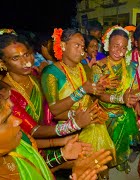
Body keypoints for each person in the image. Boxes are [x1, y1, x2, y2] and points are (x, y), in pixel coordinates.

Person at [0, 79, 113, 180]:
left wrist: (63, 156)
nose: (18, 121)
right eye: (5, 120)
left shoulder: (17, 146)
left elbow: (37, 168)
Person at [0, 29, 94, 171]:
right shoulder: (7, 94)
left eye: (27, 54)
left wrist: (76, 115)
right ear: (2, 63)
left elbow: (51, 110)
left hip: (53, 139)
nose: (26, 62)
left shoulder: (35, 75)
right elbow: (33, 130)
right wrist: (74, 124)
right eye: (16, 58)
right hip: (31, 149)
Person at [41, 28, 116, 178]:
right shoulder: (50, 72)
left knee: (97, 165)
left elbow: (90, 98)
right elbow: (55, 110)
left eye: (82, 47)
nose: (81, 51)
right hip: (68, 130)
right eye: (76, 46)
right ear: (62, 46)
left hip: (89, 122)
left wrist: (98, 88)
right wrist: (82, 91)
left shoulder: (84, 67)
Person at [92, 25, 140, 173]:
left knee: (123, 142)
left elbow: (135, 88)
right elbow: (98, 94)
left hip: (125, 112)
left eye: (124, 48)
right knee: (107, 146)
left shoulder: (131, 66)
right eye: (116, 46)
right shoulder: (98, 67)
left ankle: (121, 161)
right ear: (107, 46)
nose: (120, 51)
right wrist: (121, 98)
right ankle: (105, 167)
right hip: (105, 113)